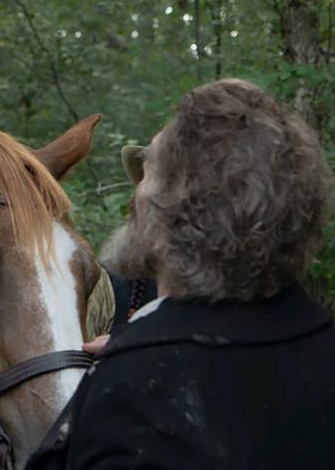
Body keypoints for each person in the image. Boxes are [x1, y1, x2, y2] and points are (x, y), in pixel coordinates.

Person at [27, 78, 335, 469]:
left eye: (149, 173)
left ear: (175, 214)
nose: (134, 194)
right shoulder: (320, 350)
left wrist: (136, 360)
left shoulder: (130, 400)